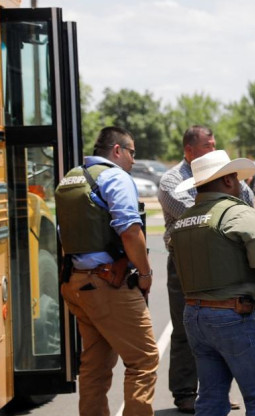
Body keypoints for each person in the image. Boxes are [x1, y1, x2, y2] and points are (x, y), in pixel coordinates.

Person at [170, 150, 255, 415]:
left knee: (210, 399)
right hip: (234, 315)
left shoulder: (183, 221)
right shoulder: (239, 214)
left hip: (195, 317)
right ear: (228, 181)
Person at [55, 126, 158, 416]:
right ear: (117, 150)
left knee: (95, 365)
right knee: (143, 359)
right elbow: (129, 229)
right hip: (107, 284)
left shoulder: (71, 180)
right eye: (132, 153)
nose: (134, 160)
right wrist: (146, 273)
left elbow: (65, 234)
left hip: (76, 283)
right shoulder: (116, 177)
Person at [157, 125, 253, 413]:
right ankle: (186, 392)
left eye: (215, 144)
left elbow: (248, 204)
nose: (214, 150)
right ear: (189, 151)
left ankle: (216, 392)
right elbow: (199, 217)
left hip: (224, 263)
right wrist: (230, 209)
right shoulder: (172, 181)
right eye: (208, 146)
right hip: (186, 265)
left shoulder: (223, 174)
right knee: (186, 328)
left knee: (222, 326)